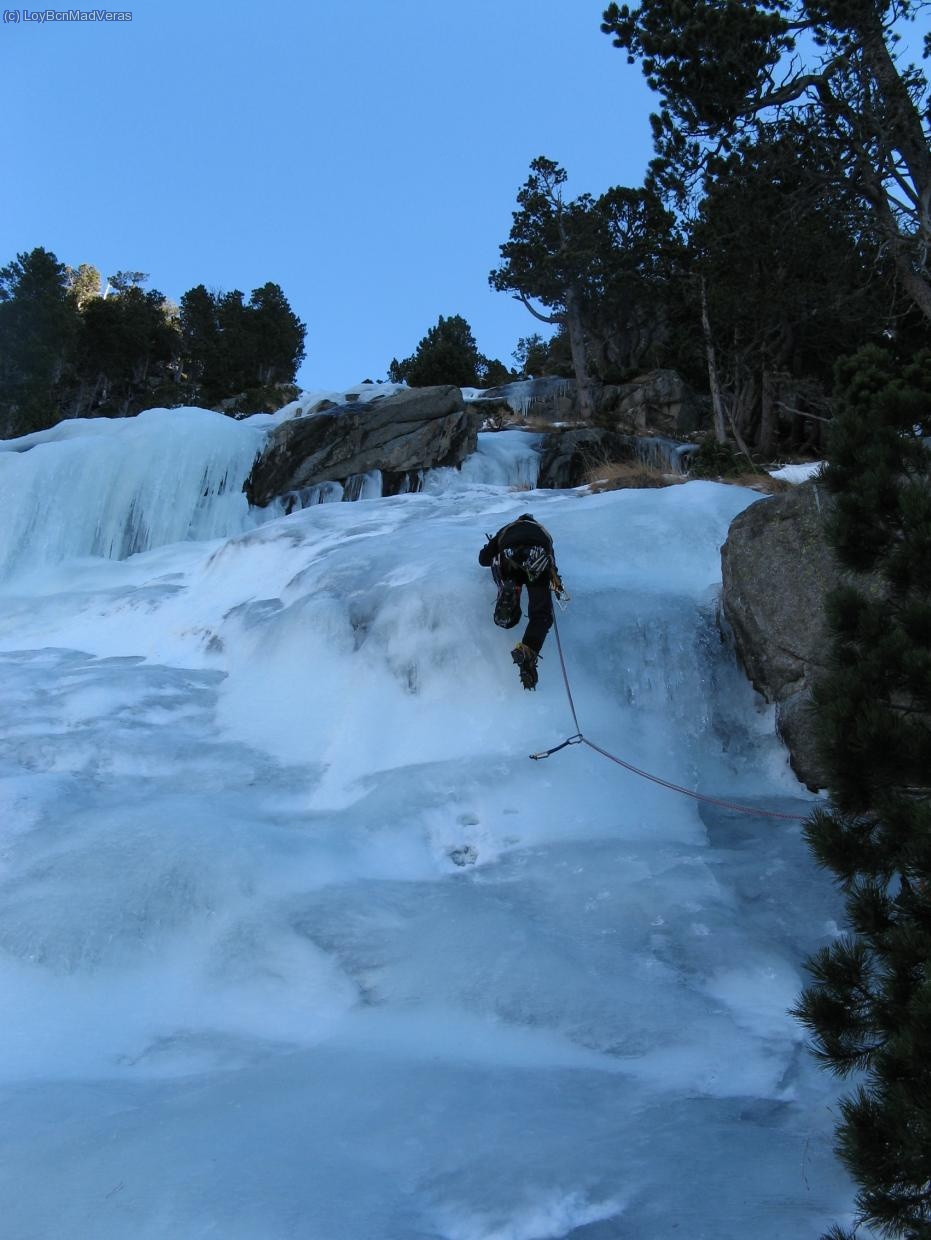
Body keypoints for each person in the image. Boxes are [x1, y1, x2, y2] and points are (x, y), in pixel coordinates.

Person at [478, 513, 564, 690]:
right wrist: (555, 582)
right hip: (538, 558)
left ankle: (511, 589)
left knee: (507, 568)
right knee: (542, 615)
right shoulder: (543, 533)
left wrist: (491, 547)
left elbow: (483, 559)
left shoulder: (507, 529)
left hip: (508, 557)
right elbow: (550, 560)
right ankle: (528, 650)